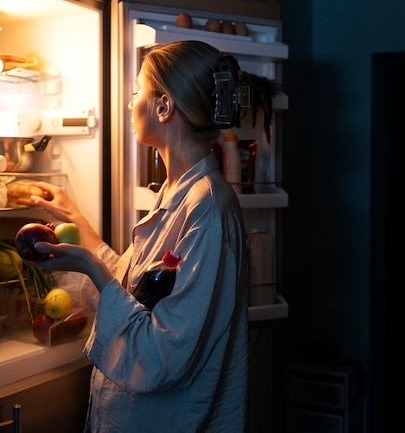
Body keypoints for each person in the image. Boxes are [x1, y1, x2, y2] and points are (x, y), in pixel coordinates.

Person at [18, 40, 249, 432]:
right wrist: (76, 220)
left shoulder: (207, 207)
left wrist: (89, 264)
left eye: (137, 91)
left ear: (163, 106)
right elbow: (134, 292)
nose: (130, 103)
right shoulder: (177, 192)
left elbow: (163, 354)